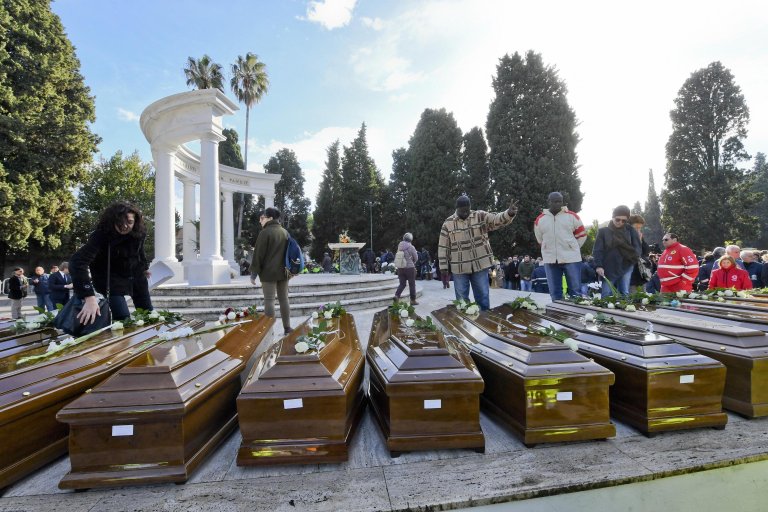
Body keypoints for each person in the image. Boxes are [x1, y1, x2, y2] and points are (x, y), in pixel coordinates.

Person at [71, 201, 153, 324]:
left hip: (135, 277)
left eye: (130, 222)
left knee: (149, 316)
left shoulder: (139, 232)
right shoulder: (100, 235)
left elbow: (139, 251)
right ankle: (124, 342)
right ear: (112, 220)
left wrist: (144, 267)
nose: (125, 226)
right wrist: (89, 296)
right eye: (121, 222)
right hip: (110, 280)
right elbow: (77, 262)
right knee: (123, 320)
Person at [438, 194, 517, 311]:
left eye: (467, 210)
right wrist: (443, 266)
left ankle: (484, 322)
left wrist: (509, 213)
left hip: (480, 265)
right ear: (457, 208)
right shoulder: (448, 223)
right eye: (463, 210)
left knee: (483, 297)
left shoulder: (480, 216)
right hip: (459, 268)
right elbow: (443, 246)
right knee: (461, 301)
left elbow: (496, 219)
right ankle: (463, 324)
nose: (466, 213)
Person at [533, 191, 587, 301]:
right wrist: (548, 249)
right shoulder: (540, 219)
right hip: (550, 259)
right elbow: (540, 239)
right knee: (555, 292)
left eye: (560, 201)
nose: (558, 204)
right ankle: (557, 315)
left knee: (575, 291)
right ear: (549, 202)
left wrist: (573, 248)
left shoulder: (572, 216)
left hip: (571, 258)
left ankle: (575, 316)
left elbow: (582, 235)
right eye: (555, 201)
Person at [250, 207, 292, 335]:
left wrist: (253, 273)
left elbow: (258, 254)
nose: (260, 221)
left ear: (270, 218)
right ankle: (287, 328)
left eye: (262, 218)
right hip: (284, 272)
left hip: (268, 273)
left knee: (269, 300)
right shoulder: (285, 232)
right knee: (284, 299)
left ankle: (269, 331)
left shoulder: (265, 233)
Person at [592, 205, 642, 297]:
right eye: (617, 219)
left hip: (626, 265)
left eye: (624, 221)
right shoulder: (603, 232)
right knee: (606, 294)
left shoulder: (631, 230)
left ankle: (623, 310)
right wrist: (598, 266)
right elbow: (597, 250)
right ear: (613, 217)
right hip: (608, 267)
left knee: (624, 293)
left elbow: (638, 247)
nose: (620, 222)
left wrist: (633, 259)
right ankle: (606, 311)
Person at [394, 232, 420, 305]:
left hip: (400, 268)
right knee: (412, 284)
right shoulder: (411, 247)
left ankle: (397, 296)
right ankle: (413, 300)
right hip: (409, 268)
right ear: (410, 239)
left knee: (402, 284)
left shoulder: (399, 247)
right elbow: (416, 258)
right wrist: (412, 260)